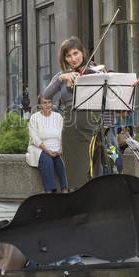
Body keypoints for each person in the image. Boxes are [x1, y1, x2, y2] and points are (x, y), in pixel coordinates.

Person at [41, 37, 102, 190]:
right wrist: (61, 77)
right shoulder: (63, 76)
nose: (73, 59)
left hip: (90, 125)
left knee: (90, 170)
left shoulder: (93, 71)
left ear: (83, 53)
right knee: (73, 173)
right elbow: (45, 96)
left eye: (76, 53)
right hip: (70, 127)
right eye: (68, 56)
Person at [26, 96, 68, 193]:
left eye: (49, 102)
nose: (48, 105)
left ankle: (65, 190)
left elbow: (63, 134)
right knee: (47, 160)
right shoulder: (34, 118)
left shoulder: (58, 117)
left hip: (57, 149)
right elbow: (34, 137)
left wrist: (60, 149)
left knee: (60, 162)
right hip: (40, 148)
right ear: (40, 105)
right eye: (45, 103)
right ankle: (50, 191)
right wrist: (47, 150)